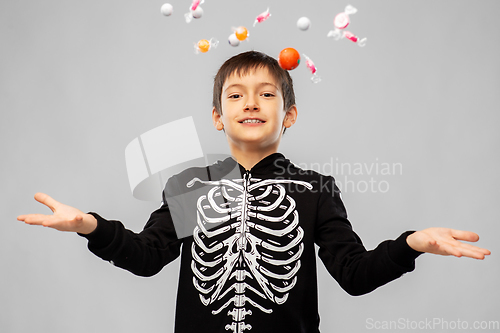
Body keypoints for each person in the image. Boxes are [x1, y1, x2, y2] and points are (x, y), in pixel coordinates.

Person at [17, 51, 490, 333]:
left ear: (290, 114)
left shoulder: (315, 189)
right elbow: (147, 256)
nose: (251, 102)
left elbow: (355, 274)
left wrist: (412, 245)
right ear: (218, 116)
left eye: (267, 94)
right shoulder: (191, 186)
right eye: (236, 95)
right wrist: (90, 227)